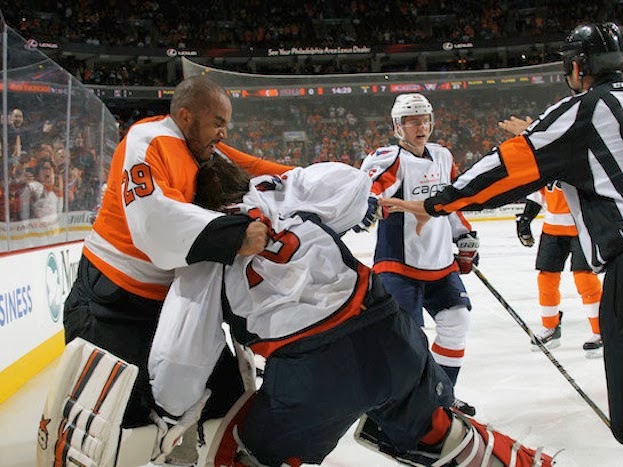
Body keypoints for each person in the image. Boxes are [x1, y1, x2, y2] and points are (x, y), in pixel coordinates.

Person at [379, 23, 623, 466]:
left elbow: (507, 167)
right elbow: (596, 156)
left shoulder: (581, 111)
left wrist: (439, 204)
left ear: (576, 67)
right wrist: (547, 137)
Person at [148, 157, 553, 467]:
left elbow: (179, 355)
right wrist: (279, 180)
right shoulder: (287, 197)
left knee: (244, 454)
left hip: (313, 378)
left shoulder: (204, 259)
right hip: (392, 338)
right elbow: (355, 187)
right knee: (436, 430)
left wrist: (169, 411)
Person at [62, 75, 293, 431]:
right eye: (217, 123)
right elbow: (153, 219)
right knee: (118, 421)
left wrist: (314, 182)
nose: (223, 134)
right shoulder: (148, 138)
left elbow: (255, 168)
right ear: (186, 117)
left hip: (164, 304)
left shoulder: (199, 148)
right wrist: (233, 236)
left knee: (224, 395)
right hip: (110, 303)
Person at [357, 93, 479, 416]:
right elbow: (368, 189)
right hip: (399, 265)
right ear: (398, 126)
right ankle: (402, 403)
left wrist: (464, 235)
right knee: (407, 342)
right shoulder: (389, 159)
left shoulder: (442, 156)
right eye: (412, 121)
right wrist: (366, 204)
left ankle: (441, 396)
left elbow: (451, 204)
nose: (421, 126)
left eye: (424, 119)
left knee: (457, 321)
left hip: (440, 263)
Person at [515, 183, 603, 356]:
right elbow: (539, 192)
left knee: (585, 278)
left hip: (583, 227)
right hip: (552, 228)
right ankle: (550, 326)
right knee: (546, 277)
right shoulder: (548, 160)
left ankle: (601, 331)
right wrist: (526, 218)